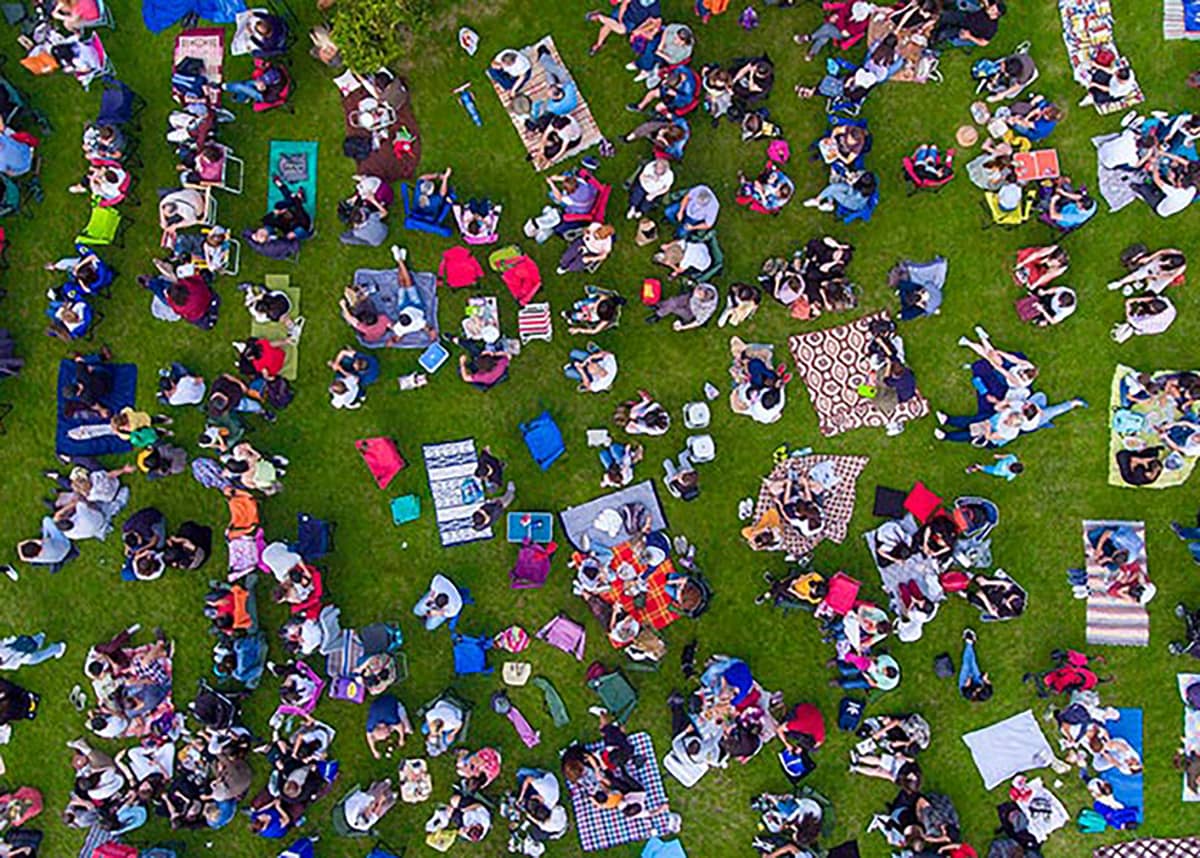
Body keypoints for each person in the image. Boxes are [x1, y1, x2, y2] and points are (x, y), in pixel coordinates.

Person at [584, 0, 663, 55]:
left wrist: (640, 30)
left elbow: (657, 21)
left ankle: (599, 17)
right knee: (611, 24)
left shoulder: (654, 6)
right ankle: (598, 43)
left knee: (619, 29)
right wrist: (620, 17)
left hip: (632, 22)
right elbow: (625, 3)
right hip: (624, 12)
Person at [647, 282, 719, 331]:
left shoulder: (709, 308)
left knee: (675, 308)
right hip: (689, 298)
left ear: (703, 300)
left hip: (691, 312)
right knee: (673, 301)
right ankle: (658, 310)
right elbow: (698, 286)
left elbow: (698, 322)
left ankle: (658, 312)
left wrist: (682, 327)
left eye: (699, 295)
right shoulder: (707, 287)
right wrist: (694, 289)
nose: (697, 292)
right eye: (700, 291)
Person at [934, 0, 1004, 46]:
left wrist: (969, 36)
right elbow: (985, 2)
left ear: (996, 14)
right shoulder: (987, 9)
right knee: (943, 15)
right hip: (965, 18)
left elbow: (984, 43)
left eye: (992, 9)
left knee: (942, 34)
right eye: (992, 6)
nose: (989, 8)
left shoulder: (992, 28)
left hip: (966, 31)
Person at [803, 171, 876, 214]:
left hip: (852, 202)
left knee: (833, 189)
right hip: (850, 190)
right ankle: (829, 204)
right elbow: (859, 172)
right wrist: (851, 175)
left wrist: (850, 183)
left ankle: (818, 200)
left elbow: (850, 195)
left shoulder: (862, 192)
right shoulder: (864, 176)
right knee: (834, 183)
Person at [365, 694, 412, 759]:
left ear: (382, 727)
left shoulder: (391, 718)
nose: (388, 735)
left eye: (386, 734)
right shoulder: (370, 725)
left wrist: (401, 738)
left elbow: (400, 726)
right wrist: (374, 751)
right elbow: (368, 736)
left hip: (393, 701)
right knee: (394, 727)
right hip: (380, 702)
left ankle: (400, 710)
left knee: (408, 729)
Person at [958, 629, 993, 702]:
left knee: (966, 665)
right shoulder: (987, 692)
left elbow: (967, 683)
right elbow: (988, 683)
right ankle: (969, 643)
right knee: (973, 663)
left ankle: (969, 643)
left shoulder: (968, 693)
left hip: (965, 686)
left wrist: (969, 677)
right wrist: (984, 679)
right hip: (977, 682)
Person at [0, 633, 67, 669]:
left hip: (25, 655)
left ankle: (58, 648)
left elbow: (15, 665)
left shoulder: (4, 663)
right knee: (32, 642)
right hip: (19, 645)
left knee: (39, 657)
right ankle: (40, 636)